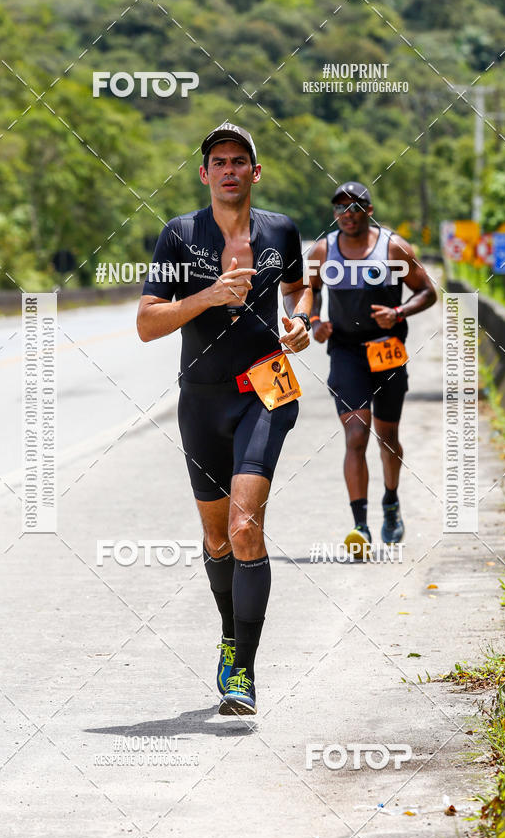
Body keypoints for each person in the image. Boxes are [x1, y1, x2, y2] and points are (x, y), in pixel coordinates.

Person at [137, 123, 312, 715]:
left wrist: (300, 323)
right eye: (220, 161)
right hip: (202, 399)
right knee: (216, 538)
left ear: (254, 173)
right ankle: (231, 637)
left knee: (243, 528)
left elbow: (298, 289)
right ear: (206, 172)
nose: (230, 169)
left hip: (265, 389)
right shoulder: (179, 236)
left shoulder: (281, 230)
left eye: (240, 161)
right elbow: (147, 323)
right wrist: (207, 297)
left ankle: (244, 672)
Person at [308, 181, 436, 553]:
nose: (348, 214)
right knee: (356, 435)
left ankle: (391, 502)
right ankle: (360, 526)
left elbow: (428, 291)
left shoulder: (392, 247)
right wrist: (315, 320)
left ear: (369, 210)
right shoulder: (323, 250)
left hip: (387, 351)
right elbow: (308, 288)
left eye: (356, 207)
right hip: (346, 353)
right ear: (333, 213)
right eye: (340, 208)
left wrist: (397, 312)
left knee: (388, 438)